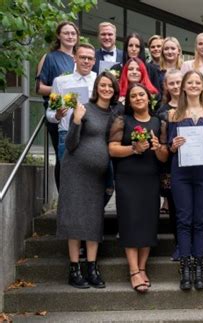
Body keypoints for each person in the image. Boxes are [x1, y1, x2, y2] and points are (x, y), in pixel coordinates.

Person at [55, 71, 119, 289]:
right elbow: (71, 144)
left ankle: (92, 268)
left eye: (110, 86)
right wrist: (75, 120)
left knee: (93, 218)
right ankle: (74, 269)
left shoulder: (115, 112)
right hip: (75, 170)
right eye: (103, 85)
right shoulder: (84, 108)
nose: (106, 89)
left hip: (98, 175)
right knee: (75, 217)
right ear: (96, 87)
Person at [108, 83, 168, 293]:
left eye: (141, 94)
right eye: (133, 96)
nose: (138, 98)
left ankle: (143, 268)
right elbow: (112, 149)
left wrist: (157, 147)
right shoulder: (122, 120)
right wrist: (134, 148)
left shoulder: (158, 122)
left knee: (148, 223)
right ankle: (133, 270)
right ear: (129, 101)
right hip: (127, 178)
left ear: (148, 98)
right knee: (130, 222)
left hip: (150, 178)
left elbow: (163, 156)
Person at [168, 71, 203, 291]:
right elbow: (168, 145)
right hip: (180, 172)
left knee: (200, 220)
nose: (193, 85)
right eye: (189, 82)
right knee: (183, 219)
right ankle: (185, 267)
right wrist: (173, 145)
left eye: (197, 82)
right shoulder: (173, 113)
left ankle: (199, 265)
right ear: (183, 86)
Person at [38, 21, 79, 189]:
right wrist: (60, 88)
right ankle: (64, 196)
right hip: (59, 113)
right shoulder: (50, 58)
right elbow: (39, 88)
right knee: (63, 156)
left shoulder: (81, 58)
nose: (70, 36)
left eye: (73, 33)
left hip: (79, 113)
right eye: (66, 33)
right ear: (59, 36)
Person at [46, 43, 97, 163]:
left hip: (92, 135)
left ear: (94, 61)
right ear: (74, 58)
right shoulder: (59, 82)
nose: (86, 61)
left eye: (89, 58)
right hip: (66, 133)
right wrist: (57, 115)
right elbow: (50, 113)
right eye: (82, 57)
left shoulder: (100, 81)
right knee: (66, 176)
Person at [155, 69, 183, 261]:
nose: (176, 86)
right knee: (174, 206)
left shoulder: (196, 106)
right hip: (171, 165)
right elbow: (160, 140)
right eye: (171, 83)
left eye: (179, 82)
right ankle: (179, 244)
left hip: (195, 166)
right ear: (166, 86)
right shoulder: (162, 110)